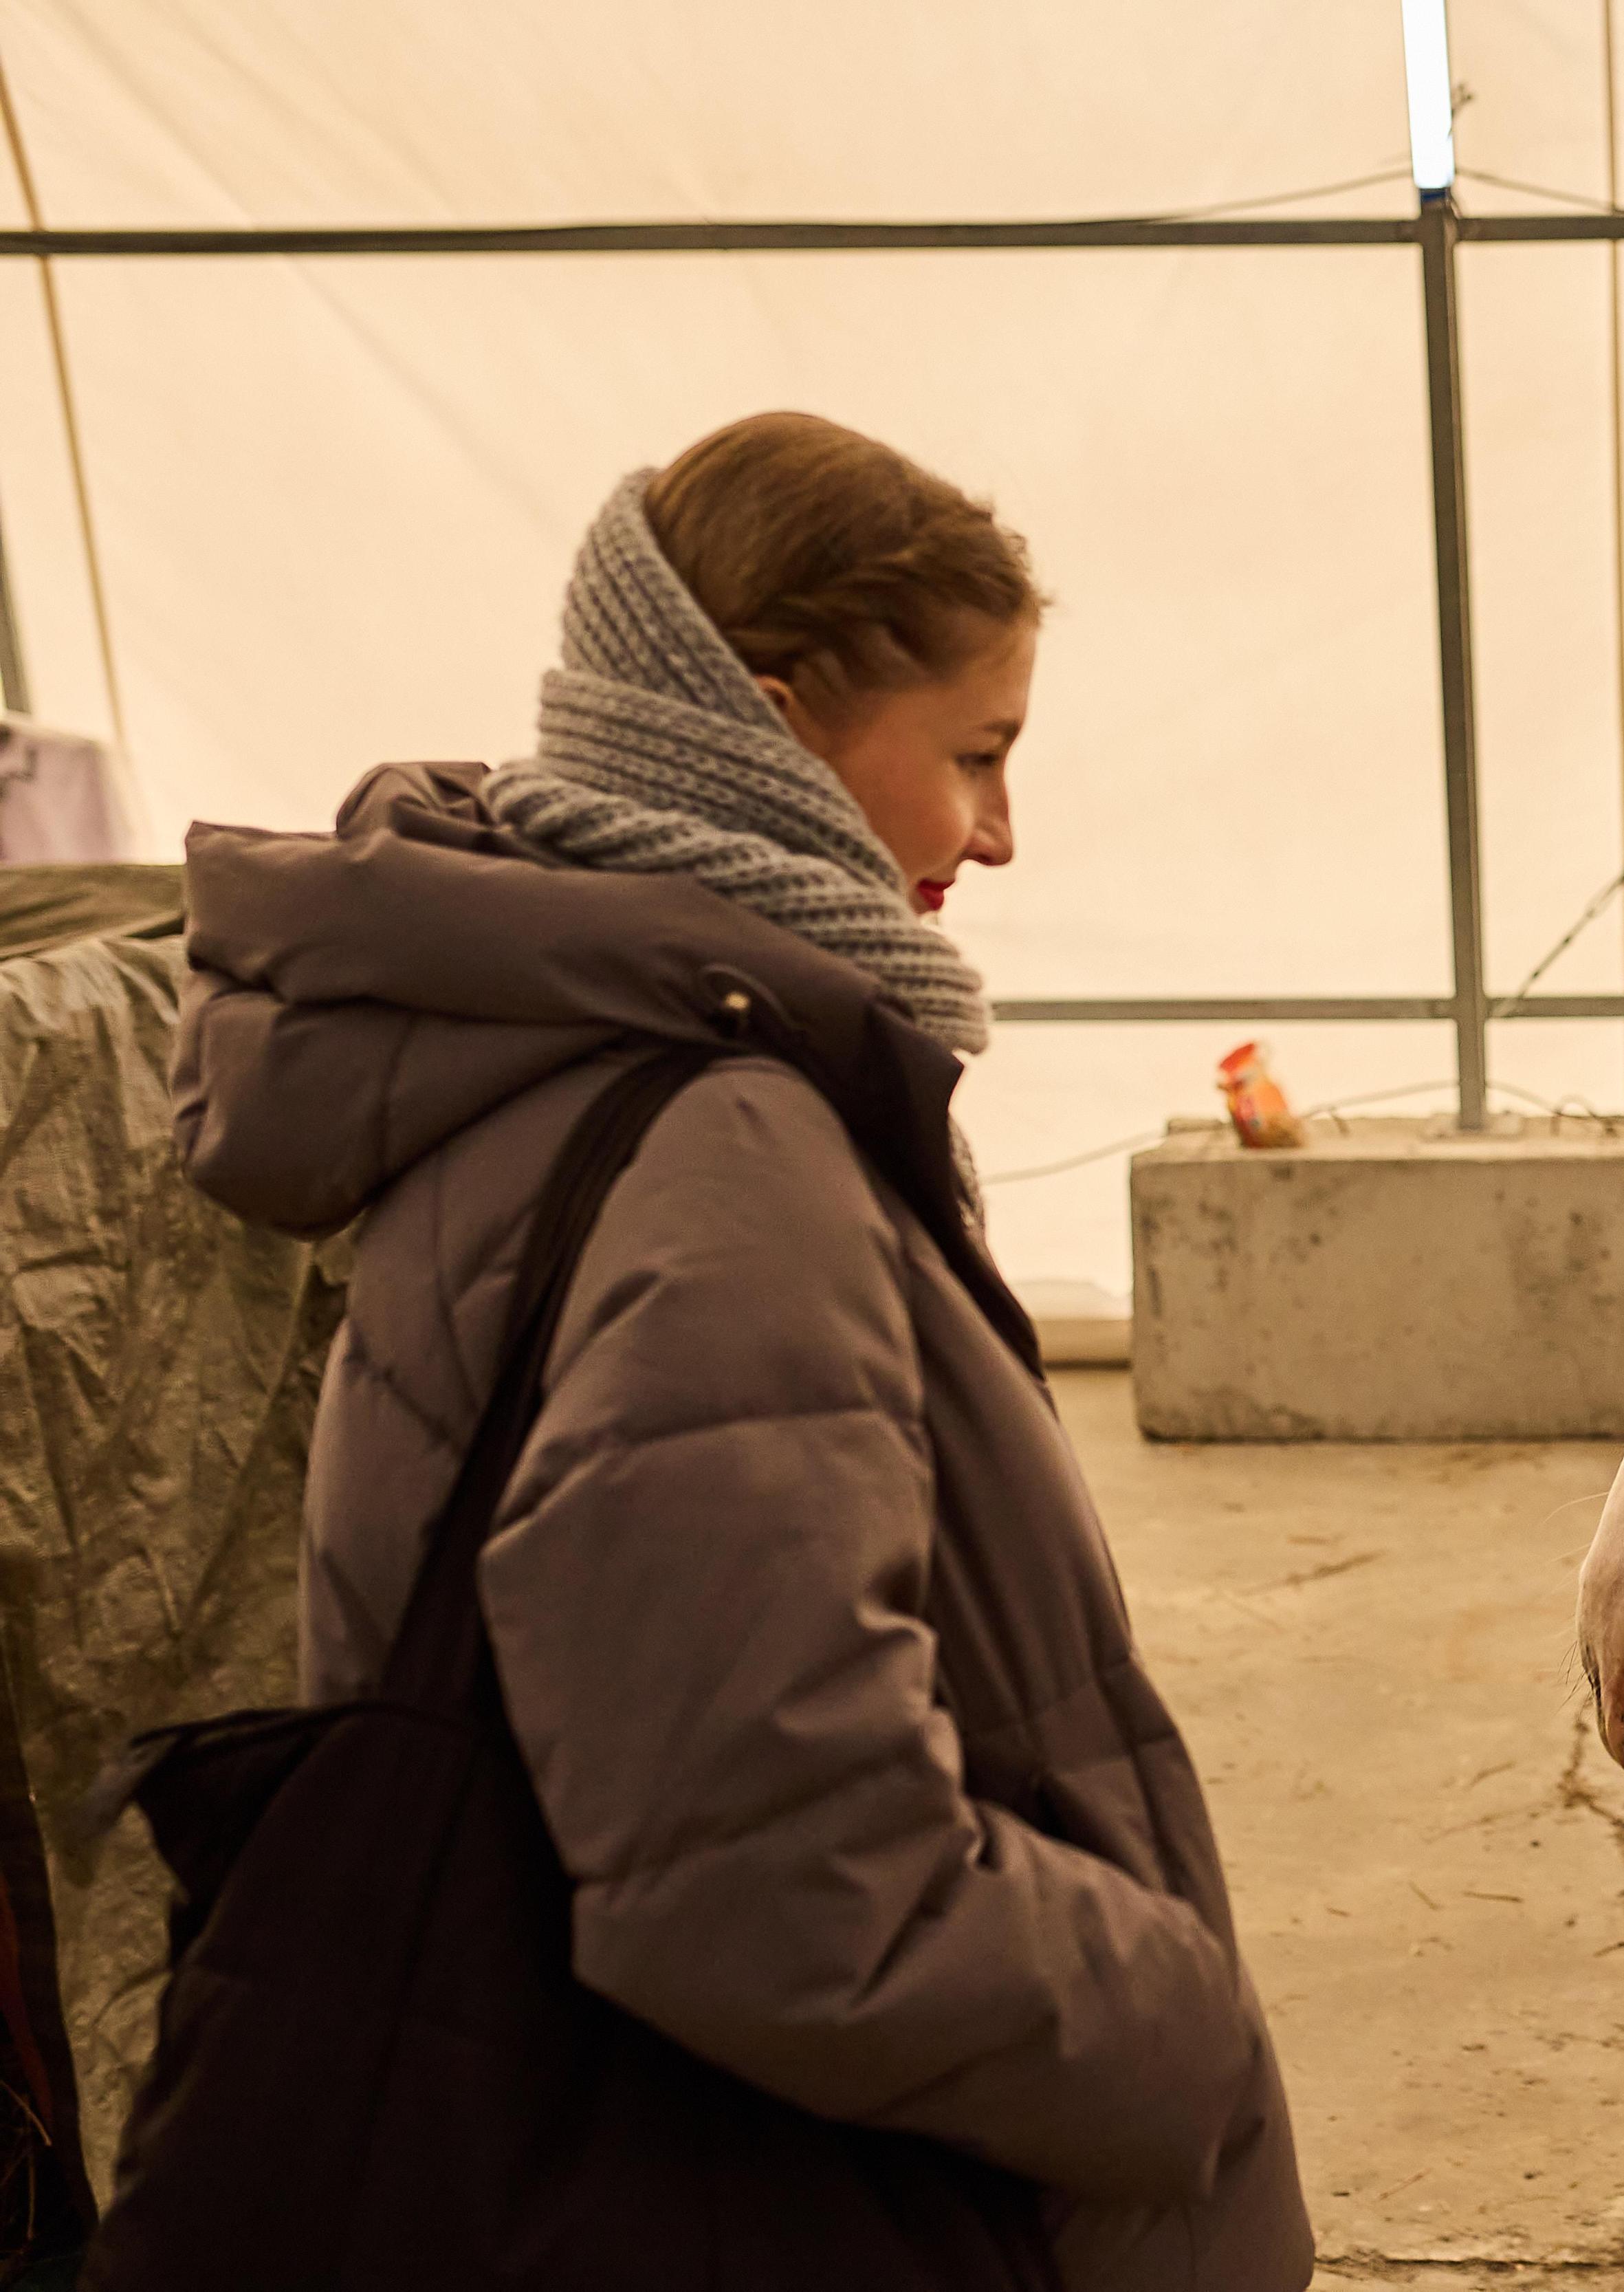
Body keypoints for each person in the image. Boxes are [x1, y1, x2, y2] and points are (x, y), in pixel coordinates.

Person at [166, 413, 1310, 2288]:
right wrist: (1176, 2028)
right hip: (804, 2188)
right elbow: (771, 1869)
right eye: (977, 758)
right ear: (770, 729)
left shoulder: (555, 1050)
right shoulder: (730, 1152)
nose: (1003, 836)